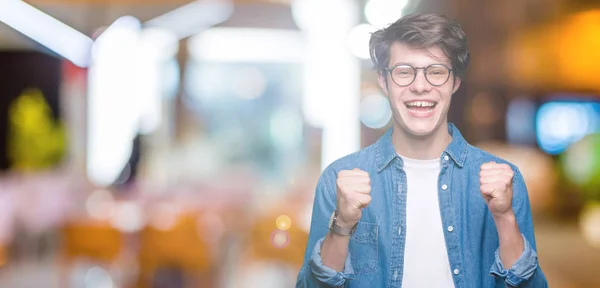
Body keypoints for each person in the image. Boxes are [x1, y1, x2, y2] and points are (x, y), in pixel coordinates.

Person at [296, 13, 547, 287]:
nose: (420, 86)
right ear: (383, 80)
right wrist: (342, 225)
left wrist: (504, 217)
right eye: (404, 72)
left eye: (436, 72)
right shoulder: (338, 180)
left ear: (455, 82)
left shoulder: (505, 181)